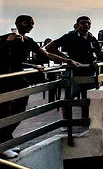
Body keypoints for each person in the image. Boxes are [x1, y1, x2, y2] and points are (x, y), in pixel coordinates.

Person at [1, 15, 76, 159]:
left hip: (18, 80)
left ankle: (5, 140)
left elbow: (47, 54)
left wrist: (67, 60)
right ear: (17, 23)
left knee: (19, 111)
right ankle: (2, 144)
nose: (30, 25)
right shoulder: (4, 39)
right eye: (27, 23)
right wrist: (8, 43)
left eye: (32, 23)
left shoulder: (28, 41)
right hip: (4, 80)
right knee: (4, 112)